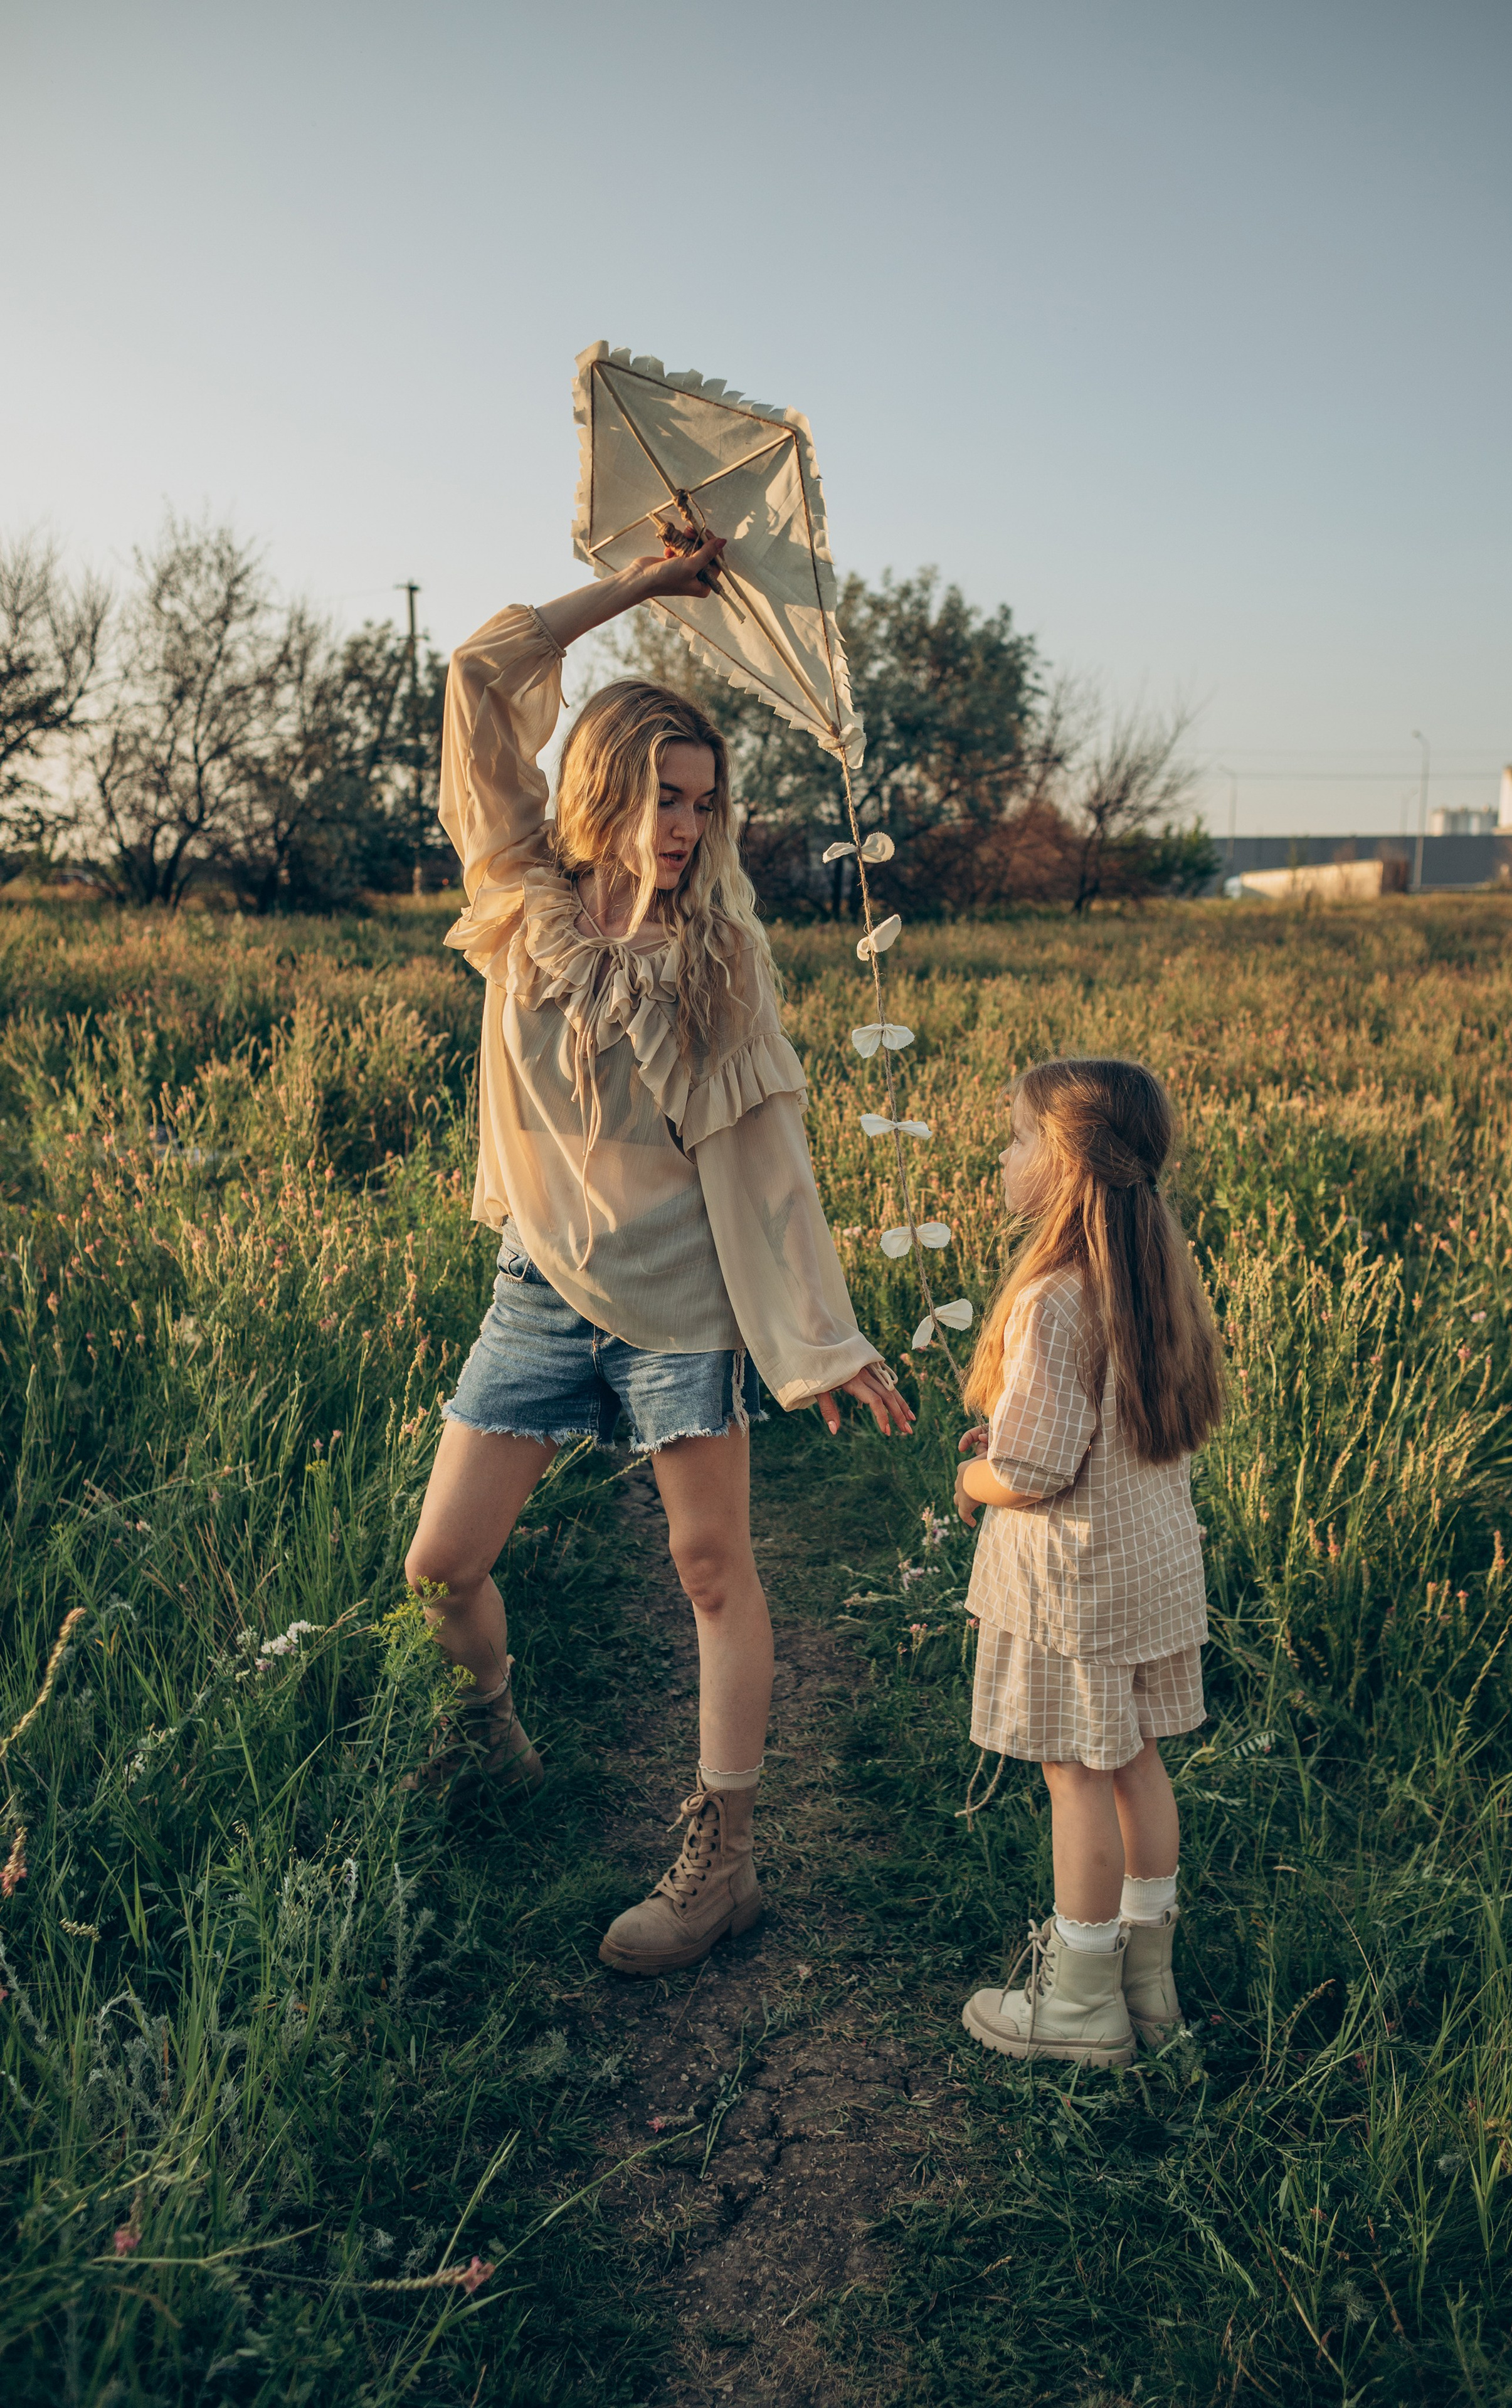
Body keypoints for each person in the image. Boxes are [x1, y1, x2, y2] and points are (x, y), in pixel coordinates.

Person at [404, 527, 914, 1978]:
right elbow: (484, 672)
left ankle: (721, 1861)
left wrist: (818, 1339)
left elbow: (764, 1166)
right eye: (666, 793)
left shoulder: (719, 960)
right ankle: (488, 1726)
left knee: (709, 1568)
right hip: (536, 1291)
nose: (687, 823)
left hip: (680, 1305)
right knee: (441, 1568)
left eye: (705, 801)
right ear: (607, 785)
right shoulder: (518, 900)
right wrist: (641, 586)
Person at [952, 1057, 1224, 2064]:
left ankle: (1076, 2001)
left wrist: (971, 1481)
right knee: (1136, 1765)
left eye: (1020, 1138)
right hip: (1149, 1575)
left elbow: (1027, 1469)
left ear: (1066, 1162)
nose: (1006, 1154)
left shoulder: (1053, 1297)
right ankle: (1147, 1985)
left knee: (1076, 1778)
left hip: (1073, 1591)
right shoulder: (1157, 1276)